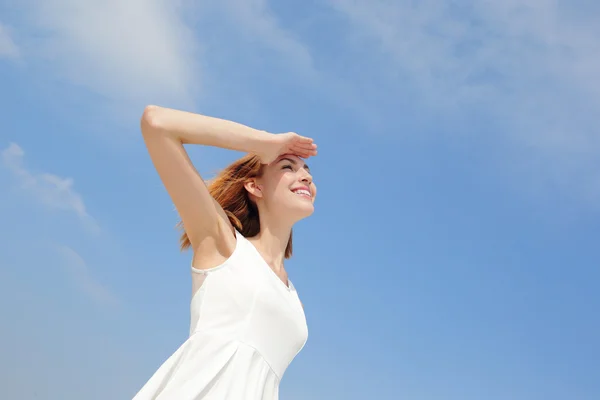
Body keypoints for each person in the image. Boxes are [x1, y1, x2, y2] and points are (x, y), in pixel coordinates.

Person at [132, 105, 318, 400]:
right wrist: (262, 141)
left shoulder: (293, 298)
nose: (305, 176)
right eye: (287, 167)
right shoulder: (223, 244)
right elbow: (156, 123)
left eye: (307, 171)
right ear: (254, 186)